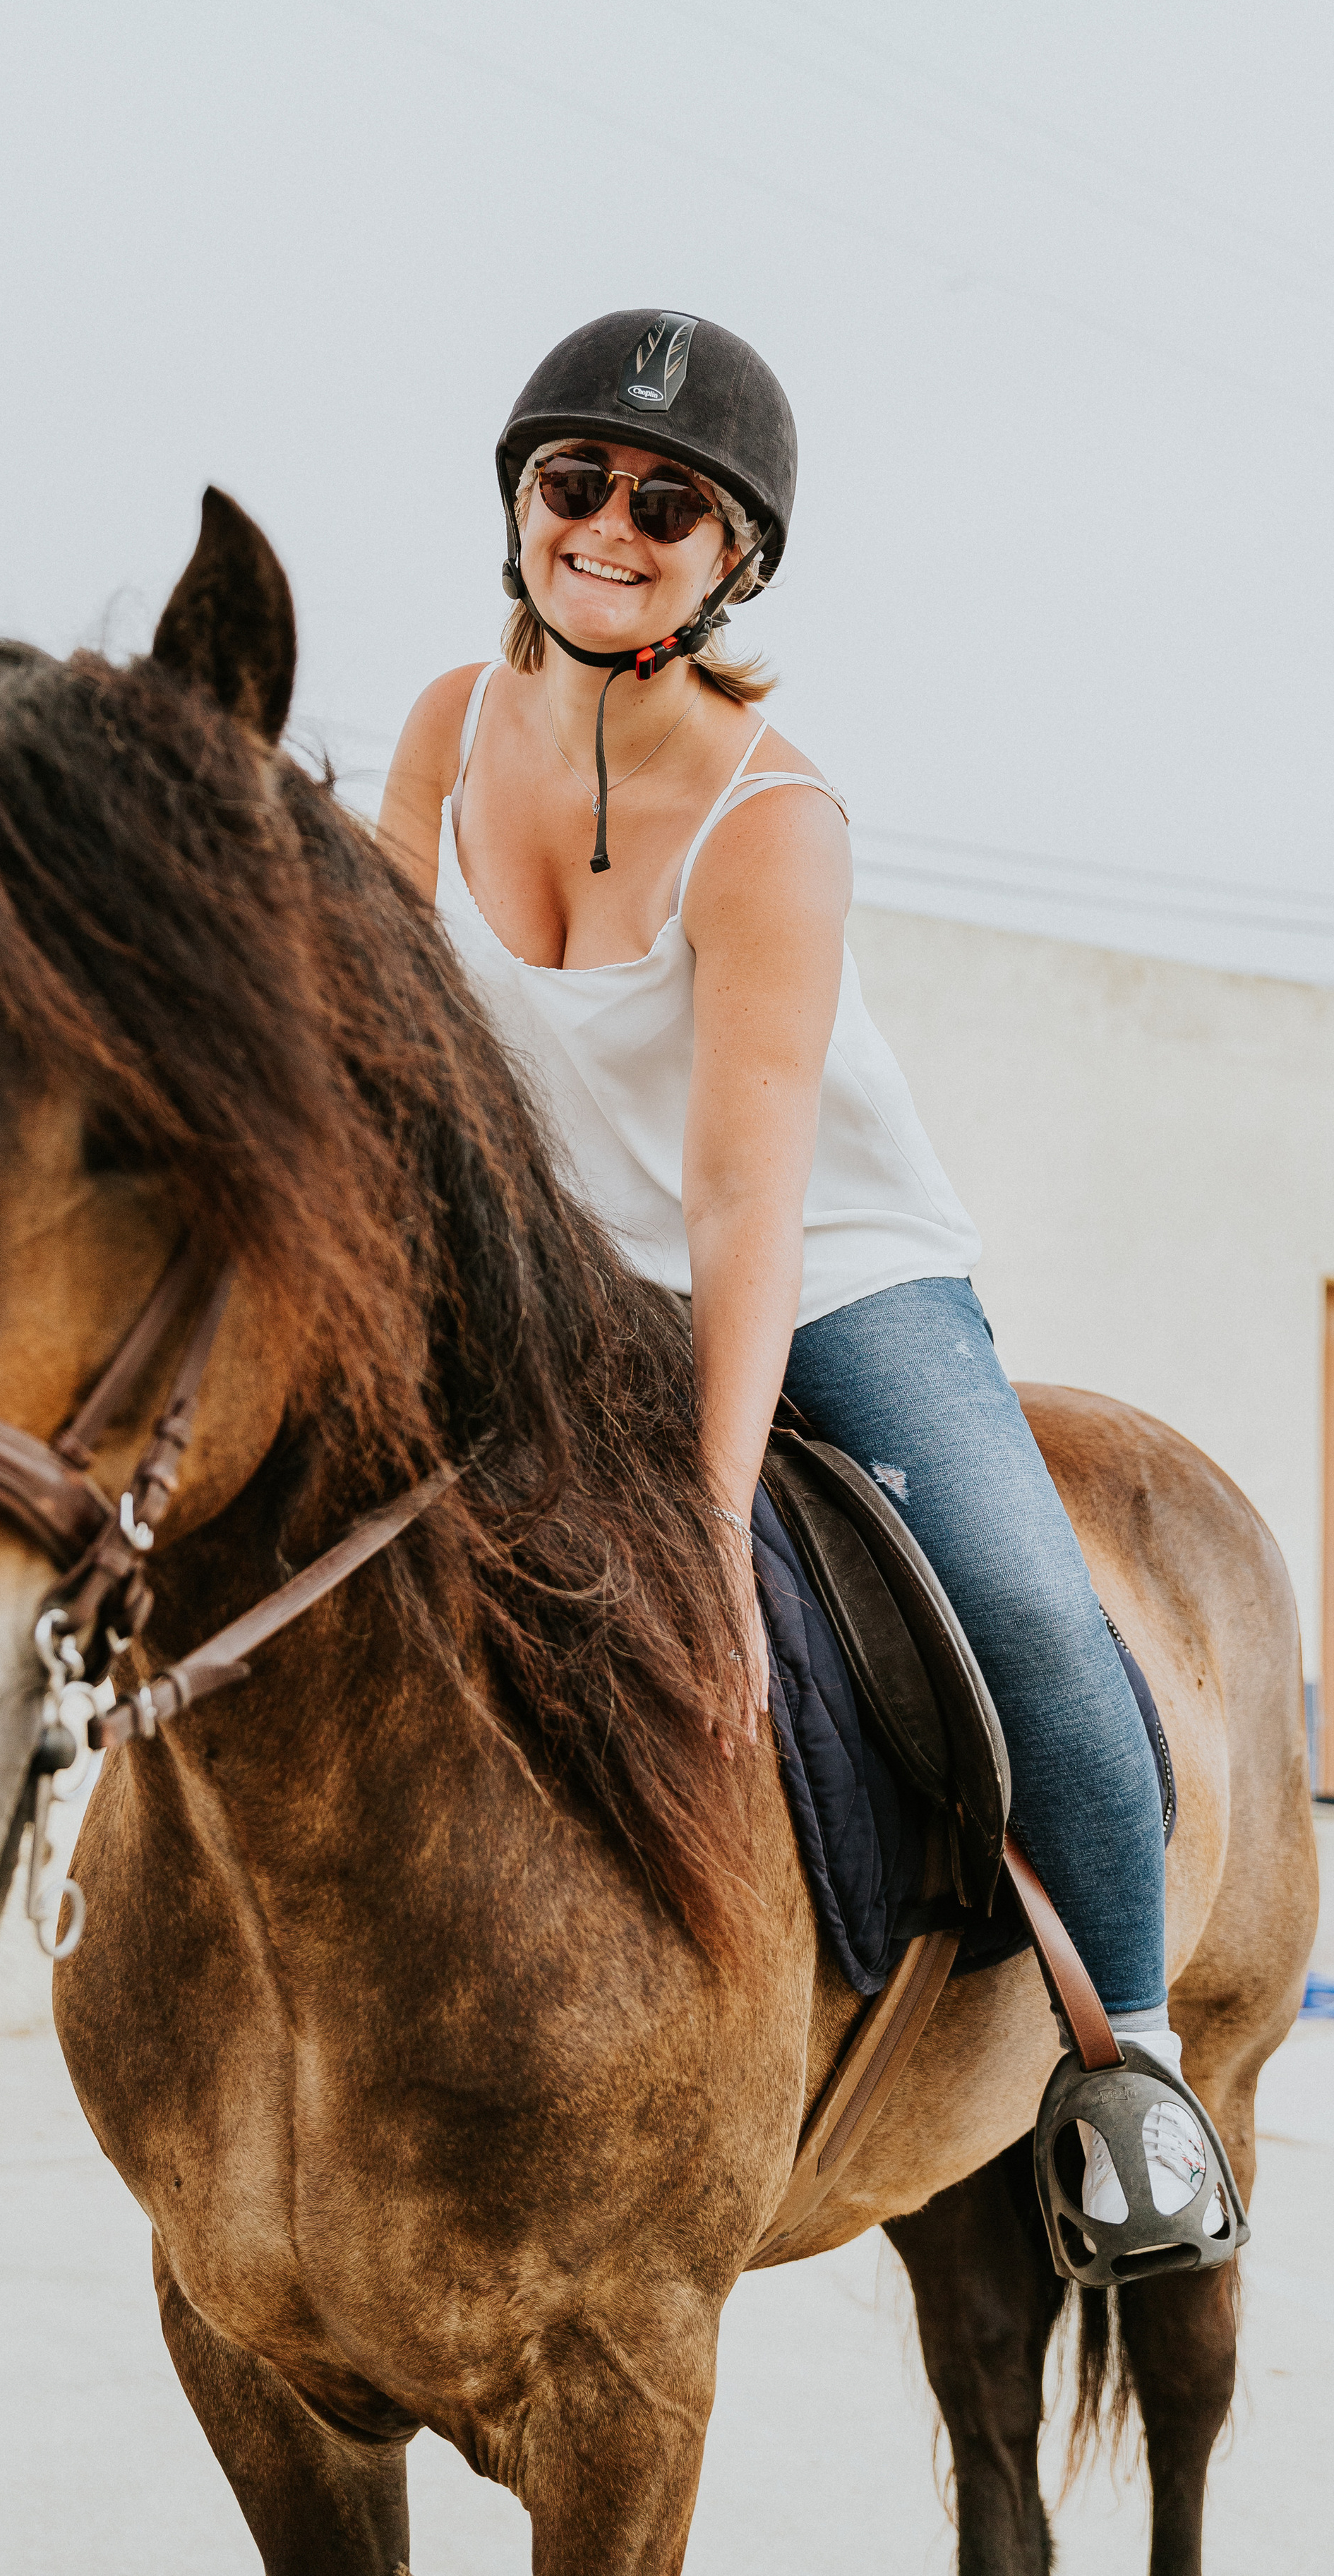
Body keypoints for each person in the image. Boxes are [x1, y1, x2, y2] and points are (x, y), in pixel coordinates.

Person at [378, 307, 1242, 2282]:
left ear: (732, 559)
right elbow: (395, 1055)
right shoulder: (440, 727)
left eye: (666, 506)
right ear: (517, 503)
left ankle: (1136, 2078)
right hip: (541, 1270)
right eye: (572, 482)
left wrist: (700, 1507)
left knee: (1034, 1616)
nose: (609, 524)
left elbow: (745, 1188)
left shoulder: (777, 816)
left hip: (825, 1276)